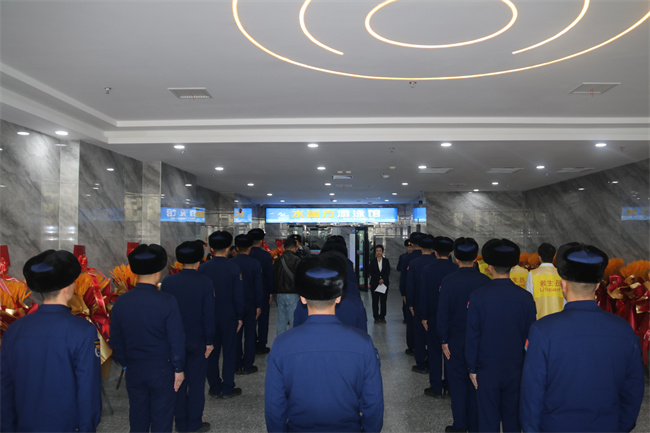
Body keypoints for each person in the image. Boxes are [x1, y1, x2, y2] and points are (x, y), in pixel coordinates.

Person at [520, 243, 644, 433]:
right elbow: (633, 389)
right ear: (597, 285)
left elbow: (532, 394)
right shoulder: (623, 330)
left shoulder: (542, 330)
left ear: (563, 284)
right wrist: (620, 427)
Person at [265, 253, 384, 432]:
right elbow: (373, 404)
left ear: (302, 298)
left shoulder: (282, 345)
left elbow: (274, 407)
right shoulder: (363, 344)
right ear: (338, 297)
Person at [1, 250, 101, 432]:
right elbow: (88, 390)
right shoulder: (83, 331)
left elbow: (5, 387)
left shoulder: (14, 330)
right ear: (67, 288)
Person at [110, 244, 186, 433]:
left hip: (134, 368)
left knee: (138, 416)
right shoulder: (167, 301)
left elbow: (116, 340)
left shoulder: (121, 301)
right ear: (158, 272)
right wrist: (178, 368)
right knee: (162, 418)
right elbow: (176, 339)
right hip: (162, 369)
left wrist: (126, 363)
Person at [465, 238, 536, 433]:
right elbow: (530, 337)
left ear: (489, 267)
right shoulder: (525, 298)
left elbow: (473, 335)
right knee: (513, 420)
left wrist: (471, 368)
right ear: (513, 266)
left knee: (488, 420)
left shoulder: (478, 296)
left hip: (486, 370)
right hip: (517, 369)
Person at [437, 238, 491, 433]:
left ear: (456, 258)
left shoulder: (449, 281)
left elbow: (443, 314)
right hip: (479, 342)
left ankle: (460, 425)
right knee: (476, 385)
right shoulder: (486, 281)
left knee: (457, 384)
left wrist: (443, 340)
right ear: (475, 258)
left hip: (455, 341)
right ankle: (475, 426)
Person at [161, 241, 215, 433]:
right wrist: (210, 340)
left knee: (177, 383)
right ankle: (194, 423)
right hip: (197, 341)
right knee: (197, 383)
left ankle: (180, 422)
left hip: (174, 342)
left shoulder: (168, 282)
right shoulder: (205, 282)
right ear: (199, 260)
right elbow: (208, 314)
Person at [199, 231, 245, 399]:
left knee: (211, 351)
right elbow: (238, 295)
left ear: (211, 249)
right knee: (229, 351)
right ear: (227, 249)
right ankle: (228, 386)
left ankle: (214, 385)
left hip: (209, 317)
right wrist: (240, 316)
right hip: (229, 316)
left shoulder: (203, 268)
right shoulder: (233, 267)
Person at [420, 236, 457, 397]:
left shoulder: (428, 269)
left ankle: (436, 386)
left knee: (434, 351)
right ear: (450, 253)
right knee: (450, 352)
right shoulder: (456, 269)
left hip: (433, 316)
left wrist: (424, 316)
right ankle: (449, 384)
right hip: (452, 318)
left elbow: (424, 294)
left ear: (435, 252)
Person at [230, 234, 264, 374]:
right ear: (249, 248)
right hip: (251, 303)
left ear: (237, 248)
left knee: (236, 334)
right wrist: (259, 305)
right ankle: (248, 365)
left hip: (234, 304)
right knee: (250, 334)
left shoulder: (231, 263)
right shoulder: (255, 264)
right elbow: (258, 286)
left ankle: (236, 364)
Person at [406, 233, 436, 373]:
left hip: (418, 303)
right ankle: (431, 362)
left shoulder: (414, 263)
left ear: (421, 247)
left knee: (419, 334)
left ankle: (421, 364)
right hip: (434, 304)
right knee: (432, 334)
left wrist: (410, 304)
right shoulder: (436, 262)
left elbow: (410, 286)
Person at [248, 228, 274, 354]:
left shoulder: (246, 255)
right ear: (262, 240)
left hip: (248, 292)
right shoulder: (266, 256)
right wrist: (271, 292)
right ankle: (261, 345)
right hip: (263, 291)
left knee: (250, 319)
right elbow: (270, 275)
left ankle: (251, 343)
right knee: (263, 320)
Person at [525, 242, 563, 319]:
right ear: (554, 257)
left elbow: (529, 300)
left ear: (539, 257)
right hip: (559, 319)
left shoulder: (532, 274)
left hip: (539, 320)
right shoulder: (561, 274)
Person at [399, 232, 422, 355]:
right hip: (424, 295)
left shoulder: (407, 258)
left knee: (411, 321)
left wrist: (403, 294)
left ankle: (411, 347)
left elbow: (403, 278)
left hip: (411, 294)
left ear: (411, 244)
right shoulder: (430, 257)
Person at [274, 236, 302, 335]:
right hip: (293, 293)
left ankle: (280, 340)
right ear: (294, 248)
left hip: (280, 294)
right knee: (293, 320)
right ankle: (292, 341)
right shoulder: (297, 260)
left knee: (281, 320)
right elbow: (300, 278)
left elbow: (274, 276)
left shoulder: (278, 260)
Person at [368, 244, 391, 324]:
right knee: (375, 301)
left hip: (384, 284)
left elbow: (388, 271)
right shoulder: (372, 261)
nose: (378, 252)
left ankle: (382, 317)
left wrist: (383, 279)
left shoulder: (386, 261)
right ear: (375, 252)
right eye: (377, 251)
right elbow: (371, 272)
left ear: (382, 252)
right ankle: (376, 317)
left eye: (380, 251)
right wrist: (378, 279)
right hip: (375, 283)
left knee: (383, 301)